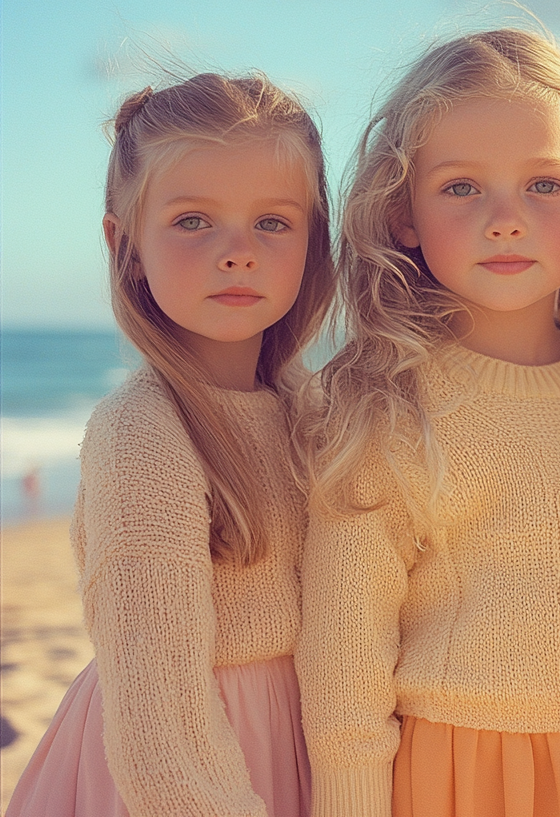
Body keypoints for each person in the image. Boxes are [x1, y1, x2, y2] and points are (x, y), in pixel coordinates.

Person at [297, 28, 560, 817]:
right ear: (403, 214)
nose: (505, 219)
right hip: (458, 773)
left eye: (545, 185)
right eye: (462, 188)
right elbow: (345, 660)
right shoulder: (385, 409)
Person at [8, 72, 336, 817]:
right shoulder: (144, 433)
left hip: (300, 744)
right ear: (125, 245)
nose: (238, 252)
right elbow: (160, 728)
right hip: (191, 772)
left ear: (314, 241)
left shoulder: (311, 408)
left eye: (273, 223)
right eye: (194, 221)